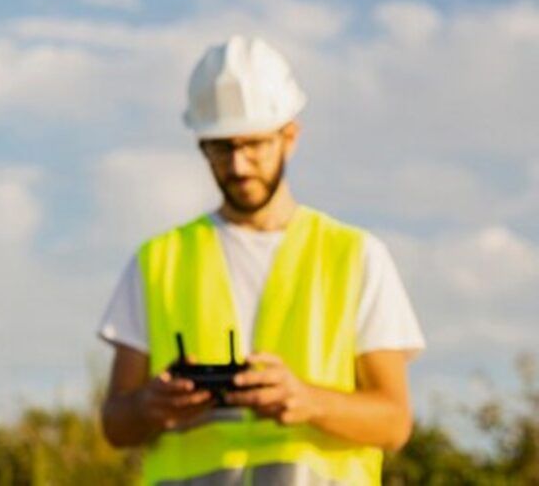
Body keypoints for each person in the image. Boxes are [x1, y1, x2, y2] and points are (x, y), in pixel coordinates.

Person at [97, 36, 424, 485]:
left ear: (289, 137)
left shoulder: (356, 255)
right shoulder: (158, 261)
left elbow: (394, 422)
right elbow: (115, 423)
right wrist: (151, 405)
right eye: (220, 147)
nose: (239, 165)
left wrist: (307, 400)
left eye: (253, 145)